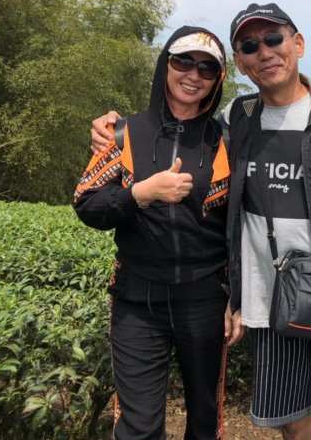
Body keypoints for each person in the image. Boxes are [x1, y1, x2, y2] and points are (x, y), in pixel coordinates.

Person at [91, 4, 311, 439]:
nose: (264, 52)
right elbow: (182, 129)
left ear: (298, 44)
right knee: (292, 419)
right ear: (241, 63)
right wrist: (114, 129)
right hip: (270, 298)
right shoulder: (237, 120)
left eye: (274, 39)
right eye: (250, 46)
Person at [76, 26, 243, 440]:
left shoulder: (226, 142)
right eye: (183, 61)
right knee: (137, 426)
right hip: (137, 300)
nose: (193, 74)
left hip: (205, 299)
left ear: (217, 80)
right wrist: (139, 194)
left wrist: (237, 299)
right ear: (165, 65)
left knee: (205, 423)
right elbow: (87, 203)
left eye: (207, 67)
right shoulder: (123, 133)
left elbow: (241, 227)